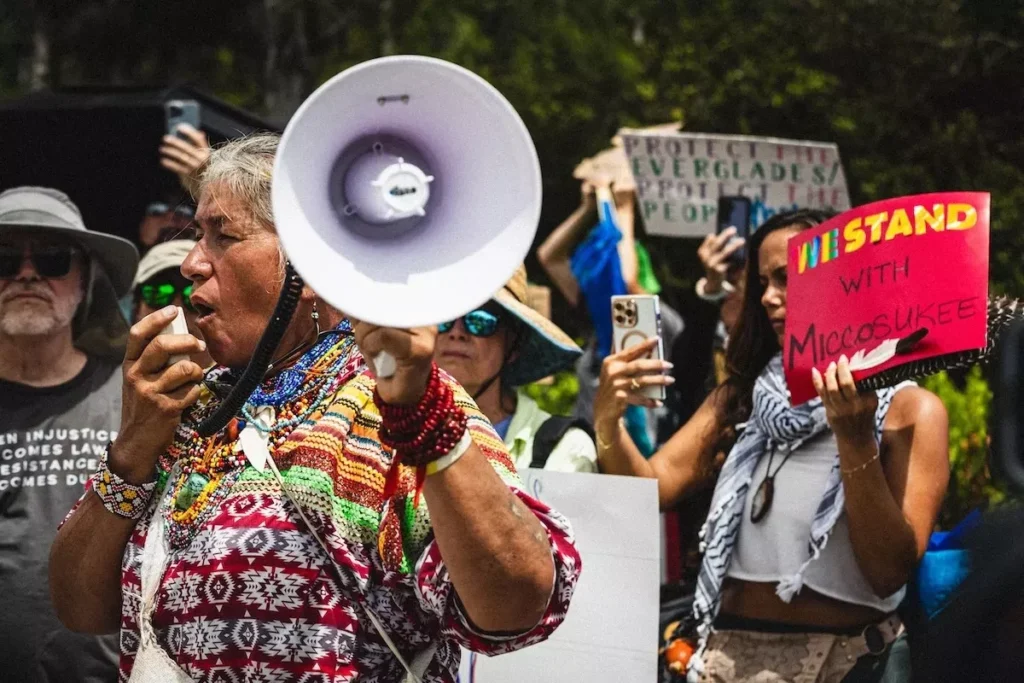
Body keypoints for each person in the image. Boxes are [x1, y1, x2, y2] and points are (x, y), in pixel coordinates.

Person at [49, 133, 581, 682]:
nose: (189, 264)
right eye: (195, 234)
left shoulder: (393, 406)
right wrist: (133, 450)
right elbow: (81, 610)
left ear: (308, 265)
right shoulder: (187, 409)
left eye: (222, 236)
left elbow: (517, 609)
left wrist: (425, 423)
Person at [594, 209, 950, 682]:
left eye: (787, 278)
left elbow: (888, 572)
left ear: (847, 282)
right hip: (725, 660)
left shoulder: (909, 412)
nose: (768, 297)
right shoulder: (739, 399)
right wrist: (607, 421)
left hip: (845, 665)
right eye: (761, 281)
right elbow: (645, 492)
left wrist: (853, 438)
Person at [0, 186, 139, 682]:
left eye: (55, 260)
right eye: (5, 259)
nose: (27, 273)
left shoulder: (135, 395)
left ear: (85, 279)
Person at [435, 264, 597, 473]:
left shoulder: (566, 448)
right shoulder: (385, 436)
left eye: (480, 321)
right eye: (444, 319)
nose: (456, 332)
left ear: (514, 346)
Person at [131, 238, 214, 368]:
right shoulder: (110, 384)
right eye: (158, 294)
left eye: (192, 296)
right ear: (136, 309)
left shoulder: (245, 383)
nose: (176, 309)